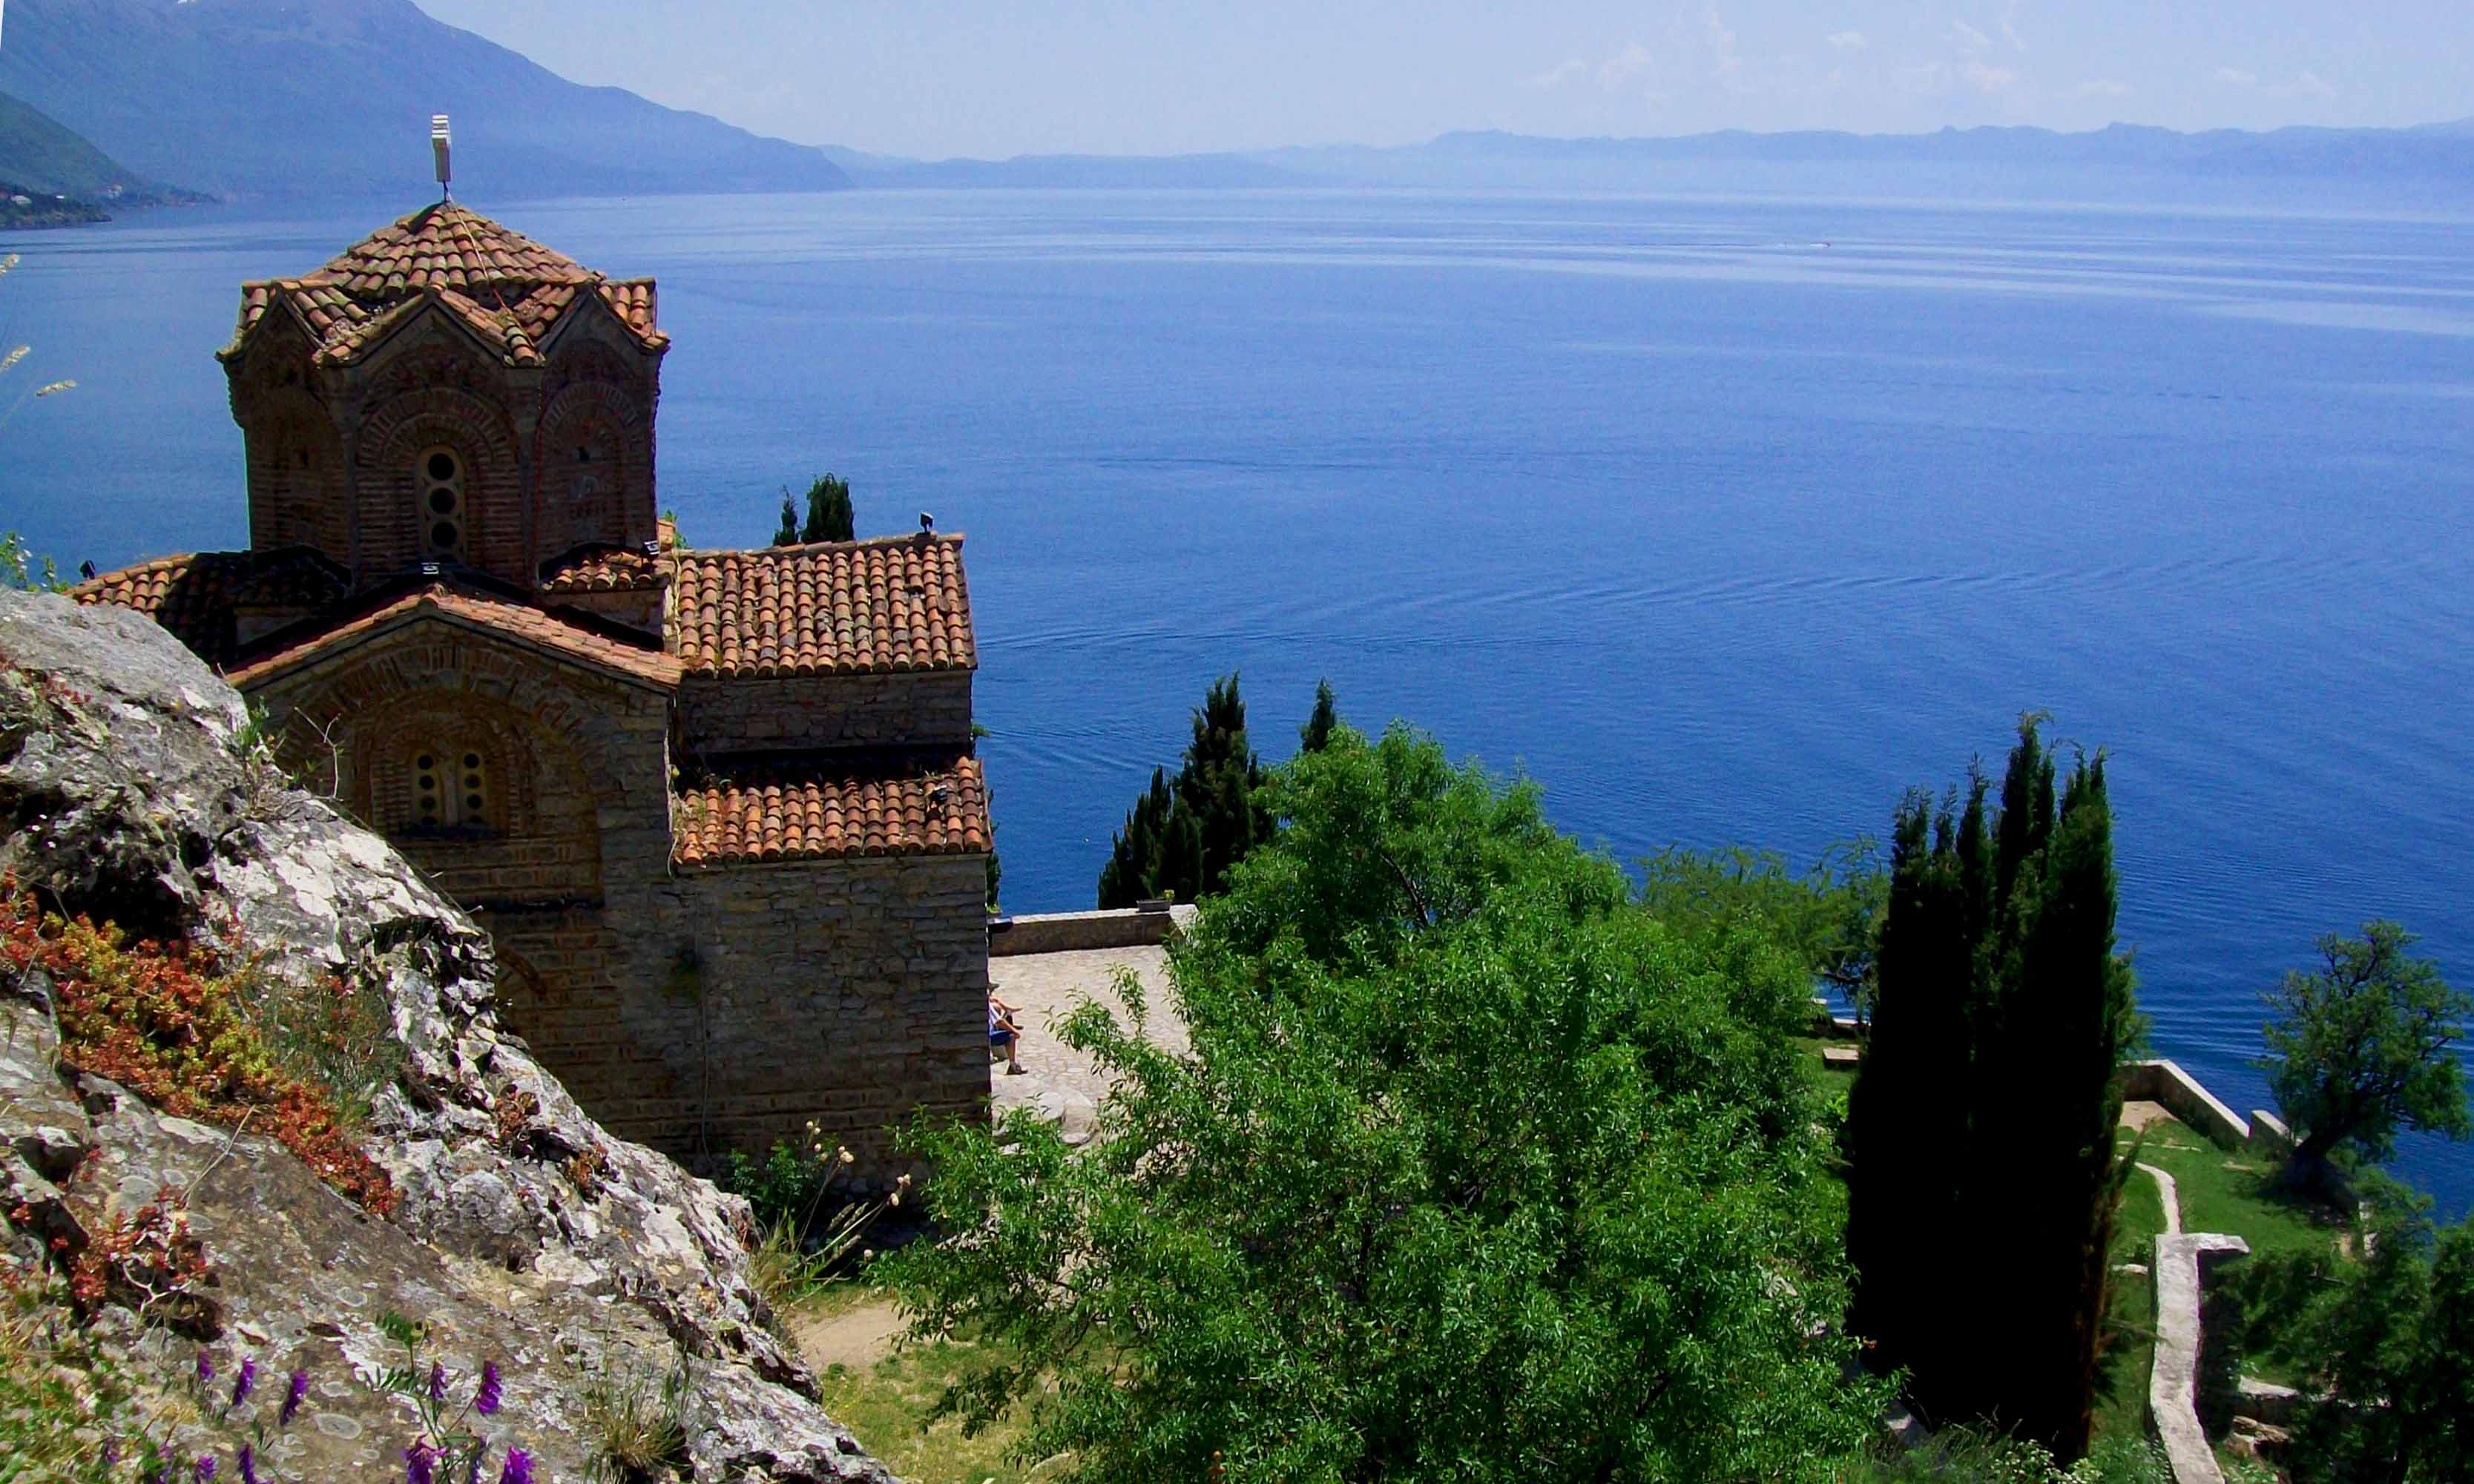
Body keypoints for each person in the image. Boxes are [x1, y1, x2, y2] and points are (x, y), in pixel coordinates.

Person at [989, 989, 1024, 1075]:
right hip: (989, 1036)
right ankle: (1013, 1065)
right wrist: (1015, 1031)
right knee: (1011, 1036)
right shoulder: (987, 1005)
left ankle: (1009, 1012)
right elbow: (999, 1021)